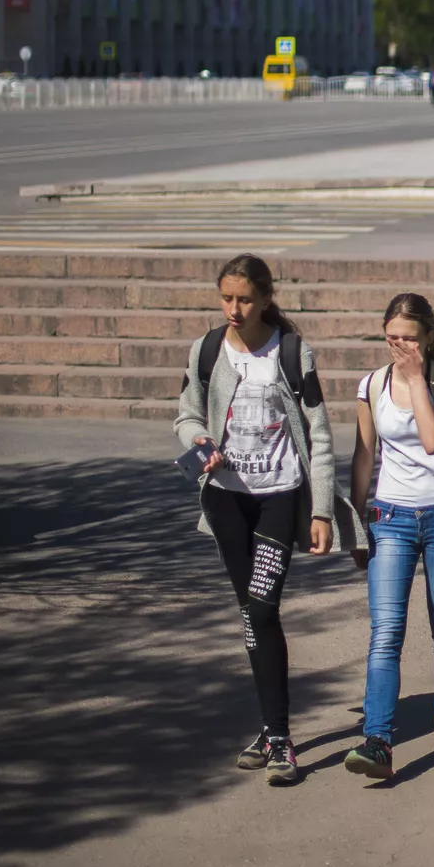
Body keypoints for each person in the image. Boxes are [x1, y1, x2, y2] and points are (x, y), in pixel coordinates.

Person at [175, 253, 338, 786]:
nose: (234, 309)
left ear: (266, 298)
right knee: (251, 614)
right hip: (226, 500)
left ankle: (281, 739)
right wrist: (199, 439)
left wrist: (320, 509)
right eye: (226, 298)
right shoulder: (206, 350)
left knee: (263, 609)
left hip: (278, 498)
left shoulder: (291, 352)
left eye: (245, 299)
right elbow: (186, 415)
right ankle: (271, 731)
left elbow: (319, 433)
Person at [342, 293, 434, 780]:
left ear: (430, 336)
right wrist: (355, 524)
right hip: (391, 518)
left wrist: (418, 377)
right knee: (385, 632)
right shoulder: (372, 384)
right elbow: (364, 454)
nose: (400, 347)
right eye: (392, 338)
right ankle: (377, 741)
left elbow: (433, 439)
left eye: (410, 339)